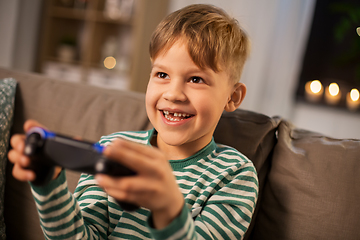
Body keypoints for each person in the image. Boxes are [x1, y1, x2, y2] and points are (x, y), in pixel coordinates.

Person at [8, 4, 258, 239]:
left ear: (232, 97)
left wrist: (168, 210)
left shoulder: (235, 174)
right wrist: (49, 185)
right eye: (162, 74)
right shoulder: (114, 148)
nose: (173, 94)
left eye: (196, 79)